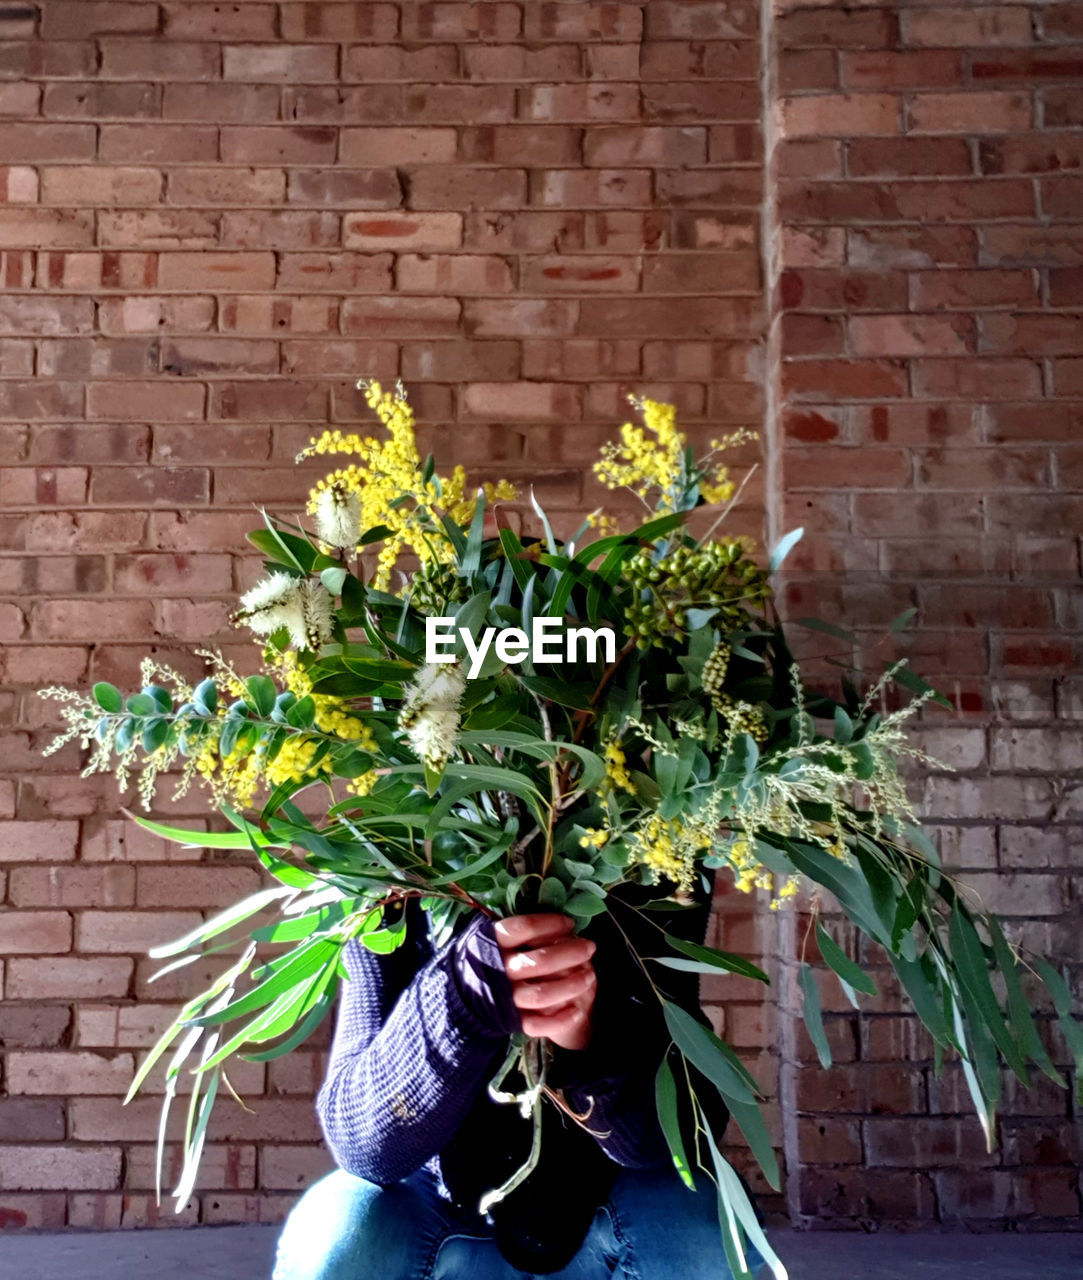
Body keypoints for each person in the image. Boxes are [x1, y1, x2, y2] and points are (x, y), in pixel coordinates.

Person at [271, 872, 767, 1279]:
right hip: (437, 1215)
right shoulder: (382, 863)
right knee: (340, 1233)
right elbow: (361, 1145)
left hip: (610, 1213)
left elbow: (684, 1133)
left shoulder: (653, 852)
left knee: (702, 1230)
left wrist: (592, 1037)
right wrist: (458, 1001)